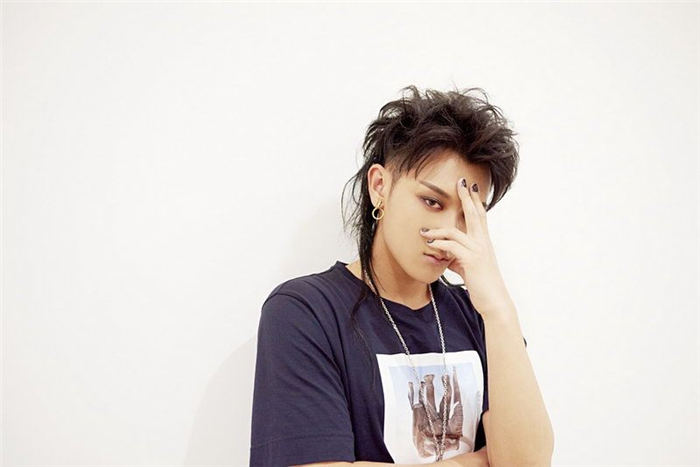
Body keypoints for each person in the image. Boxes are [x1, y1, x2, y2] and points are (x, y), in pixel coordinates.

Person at [249, 85, 552, 466]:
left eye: (468, 214)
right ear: (380, 186)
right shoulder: (306, 311)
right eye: (432, 202)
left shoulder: (480, 316)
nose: (448, 231)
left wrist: (499, 308)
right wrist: (475, 461)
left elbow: (528, 463)